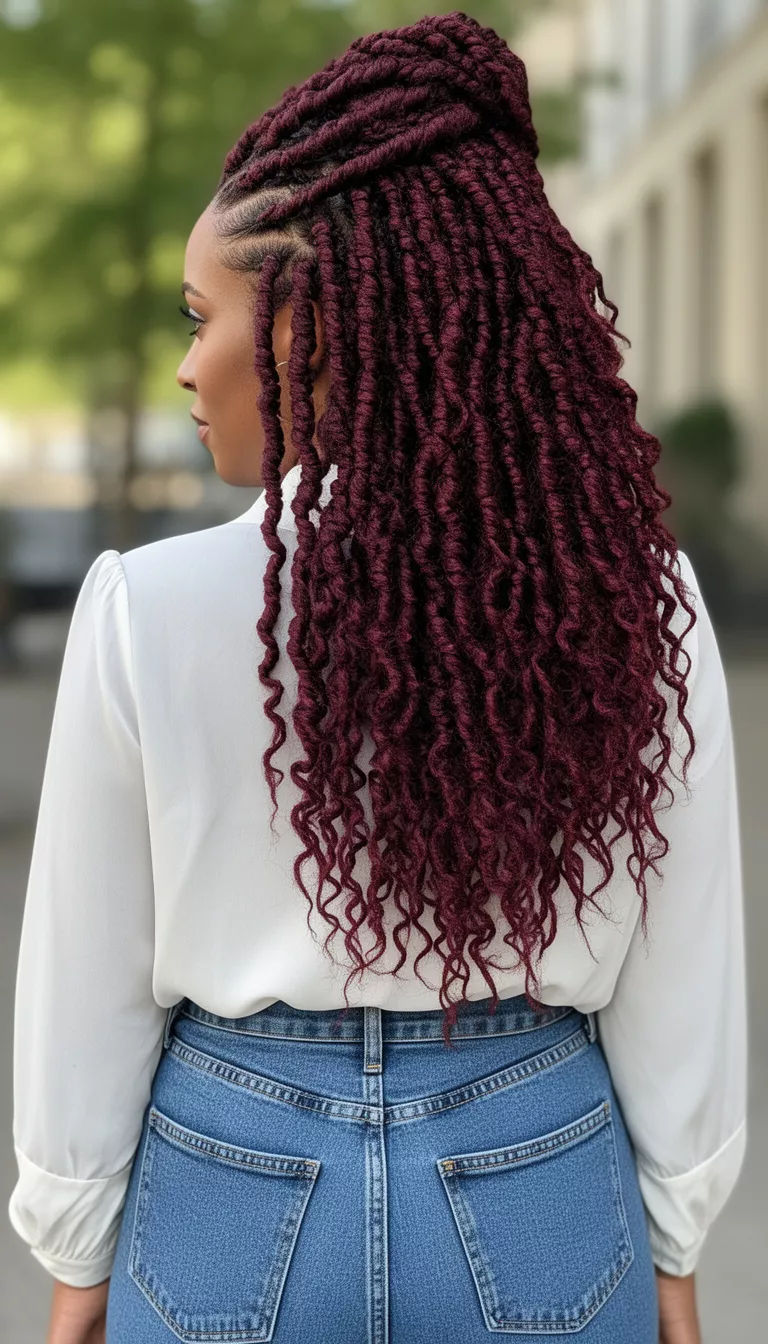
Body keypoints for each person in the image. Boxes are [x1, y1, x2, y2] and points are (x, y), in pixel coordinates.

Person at [8, 12, 747, 1344]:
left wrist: (75, 1268)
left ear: (312, 328)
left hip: (231, 1181)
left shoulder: (141, 611)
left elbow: (88, 977)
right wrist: (678, 1249)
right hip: (538, 1168)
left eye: (203, 319)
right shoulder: (639, 598)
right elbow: (682, 960)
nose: (185, 364)